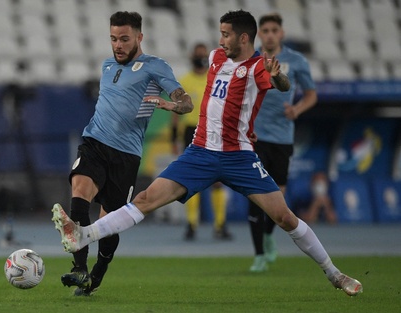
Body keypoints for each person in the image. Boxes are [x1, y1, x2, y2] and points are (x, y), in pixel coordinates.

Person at [52, 10, 363, 297]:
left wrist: (278, 75)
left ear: (243, 38)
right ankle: (82, 235)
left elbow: (281, 85)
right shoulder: (215, 57)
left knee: (284, 217)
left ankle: (334, 274)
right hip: (200, 152)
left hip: (238, 156)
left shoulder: (257, 67)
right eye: (220, 33)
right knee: (145, 200)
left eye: (226, 34)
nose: (220, 40)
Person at [57, 11, 193, 296]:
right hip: (94, 142)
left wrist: (174, 105)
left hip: (126, 155)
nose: (117, 45)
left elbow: (186, 101)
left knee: (109, 224)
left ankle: (97, 274)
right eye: (113, 39)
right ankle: (79, 269)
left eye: (124, 39)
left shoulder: (155, 66)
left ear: (139, 37)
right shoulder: (107, 66)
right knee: (79, 194)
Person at [247, 13, 318, 273]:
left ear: (281, 34)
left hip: (283, 138)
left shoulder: (296, 61)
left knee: (278, 199)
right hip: (254, 137)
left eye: (273, 30)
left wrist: (297, 110)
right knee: (254, 196)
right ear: (259, 34)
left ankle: (267, 236)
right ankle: (258, 255)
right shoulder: (251, 60)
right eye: (264, 30)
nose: (269, 34)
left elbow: (311, 95)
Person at [172, 43, 232, 240]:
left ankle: (220, 225)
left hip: (212, 130)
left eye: (202, 55)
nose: (200, 58)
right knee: (191, 180)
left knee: (217, 180)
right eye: (197, 55)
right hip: (191, 131)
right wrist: (175, 137)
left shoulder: (214, 79)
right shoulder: (185, 81)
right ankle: (192, 224)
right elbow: (176, 111)